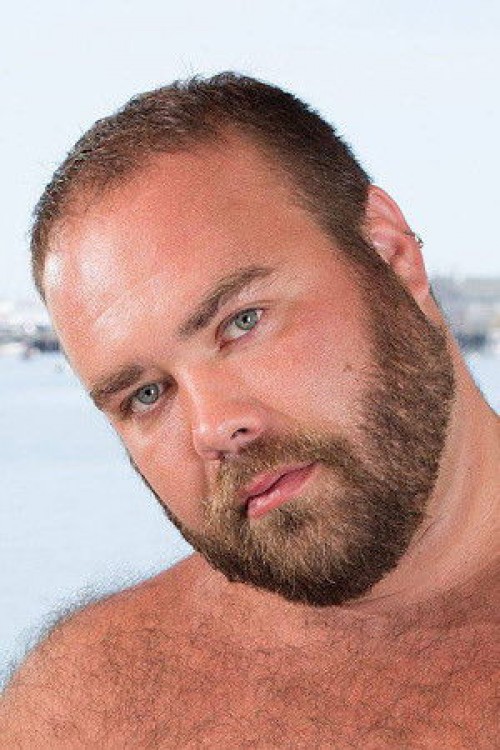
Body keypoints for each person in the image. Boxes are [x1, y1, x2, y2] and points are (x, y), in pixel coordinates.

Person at [1, 73, 498, 748]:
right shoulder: (86, 712)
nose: (214, 428)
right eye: (147, 394)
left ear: (389, 252)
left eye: (243, 322)